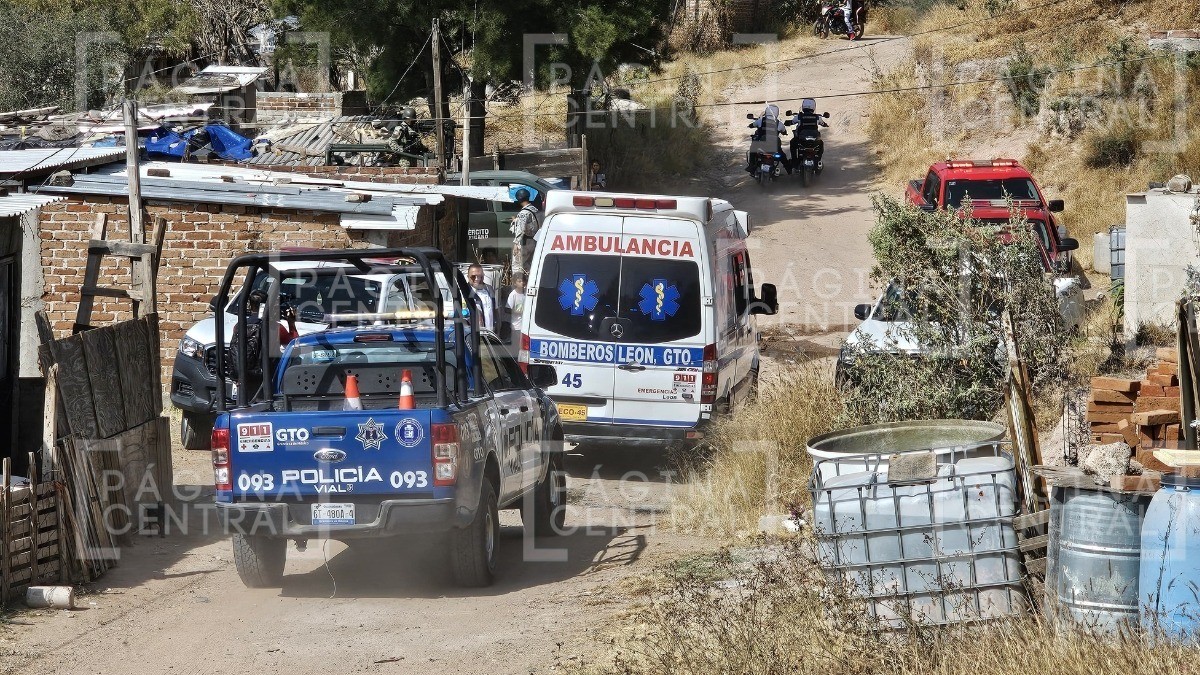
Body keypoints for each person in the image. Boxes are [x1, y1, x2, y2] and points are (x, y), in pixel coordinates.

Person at [745, 103, 791, 175]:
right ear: (776, 113)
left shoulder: (761, 120)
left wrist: (750, 125)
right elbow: (784, 131)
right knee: (782, 156)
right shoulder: (779, 123)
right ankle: (789, 170)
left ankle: (751, 165)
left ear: (767, 112)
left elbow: (753, 125)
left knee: (753, 148)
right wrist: (784, 133)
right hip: (774, 146)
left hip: (762, 145)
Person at [508, 188, 541, 274]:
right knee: (528, 266)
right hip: (533, 241)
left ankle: (518, 282)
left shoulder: (523, 213)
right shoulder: (535, 209)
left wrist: (516, 243)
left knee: (517, 266)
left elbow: (522, 229)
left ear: (519, 199)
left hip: (524, 242)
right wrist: (516, 220)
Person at [791, 98, 830, 171]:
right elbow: (823, 123)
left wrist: (788, 122)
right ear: (813, 107)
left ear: (803, 106)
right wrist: (826, 125)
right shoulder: (817, 117)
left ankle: (794, 162)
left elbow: (792, 122)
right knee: (821, 144)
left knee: (792, 143)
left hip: (802, 140)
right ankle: (818, 160)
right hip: (814, 140)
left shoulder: (799, 116)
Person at [467, 263, 496, 331]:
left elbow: (495, 310)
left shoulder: (489, 289)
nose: (477, 279)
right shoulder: (464, 292)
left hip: (490, 333)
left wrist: (497, 328)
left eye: (480, 276)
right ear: (468, 276)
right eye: (473, 276)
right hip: (474, 333)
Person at [506, 272, 527, 338]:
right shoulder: (513, 295)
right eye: (519, 281)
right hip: (516, 326)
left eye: (523, 281)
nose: (522, 283)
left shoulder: (527, 293)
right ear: (515, 283)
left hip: (525, 325)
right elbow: (507, 309)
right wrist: (518, 311)